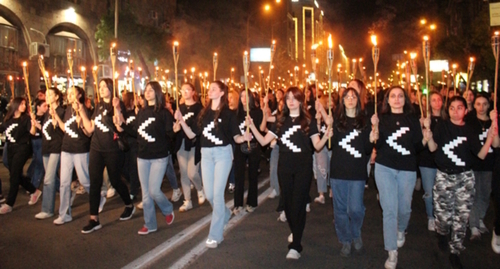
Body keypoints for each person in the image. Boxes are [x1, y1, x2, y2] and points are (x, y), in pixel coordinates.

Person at [246, 87, 331, 260]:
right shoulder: (280, 120)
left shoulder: (308, 121)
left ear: (301, 100)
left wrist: (325, 135)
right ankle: (296, 231)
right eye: (288, 98)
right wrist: (252, 126)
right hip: (284, 167)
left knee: (298, 204)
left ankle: (296, 245)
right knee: (288, 205)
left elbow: (317, 146)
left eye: (295, 98)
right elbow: (263, 140)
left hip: (303, 167)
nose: (291, 101)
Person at [174, 81, 251, 248]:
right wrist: (181, 121)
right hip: (206, 155)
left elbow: (236, 136)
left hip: (223, 154)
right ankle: (224, 213)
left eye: (214, 89)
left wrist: (243, 138)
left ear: (222, 93)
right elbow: (191, 134)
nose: (210, 91)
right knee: (209, 195)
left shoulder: (228, 114)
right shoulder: (204, 113)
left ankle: (215, 235)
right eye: (209, 89)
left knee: (217, 195)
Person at [426, 96, 498, 269]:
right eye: (452, 107)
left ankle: (455, 251)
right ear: (448, 110)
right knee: (442, 217)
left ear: (466, 110)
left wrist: (489, 138)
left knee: (461, 217)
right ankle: (442, 233)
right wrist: (428, 135)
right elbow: (432, 148)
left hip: (464, 178)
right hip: (444, 176)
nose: (455, 111)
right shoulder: (442, 126)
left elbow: (480, 155)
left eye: (460, 107)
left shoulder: (470, 130)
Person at [371, 86, 426, 269]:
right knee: (389, 210)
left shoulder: (412, 120)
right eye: (393, 96)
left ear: (405, 99)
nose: (396, 99)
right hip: (384, 167)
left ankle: (401, 229)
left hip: (407, 168)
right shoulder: (381, 119)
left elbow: (418, 147)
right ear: (387, 100)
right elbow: (377, 143)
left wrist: (426, 136)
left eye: (400, 96)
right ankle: (392, 251)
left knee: (404, 208)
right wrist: (374, 129)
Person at [78, 78, 135, 233]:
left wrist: (117, 108)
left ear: (111, 88)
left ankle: (129, 204)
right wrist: (82, 111)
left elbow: (120, 127)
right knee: (95, 182)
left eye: (105, 86)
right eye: (100, 86)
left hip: (112, 149)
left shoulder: (117, 104)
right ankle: (94, 219)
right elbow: (89, 129)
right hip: (96, 148)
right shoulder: (98, 106)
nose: (101, 89)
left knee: (115, 180)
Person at [119, 81, 175, 235]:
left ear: (157, 93)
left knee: (154, 190)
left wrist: (174, 129)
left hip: (159, 157)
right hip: (142, 157)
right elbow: (136, 131)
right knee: (145, 194)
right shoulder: (142, 112)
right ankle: (150, 224)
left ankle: (168, 209)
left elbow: (170, 134)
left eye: (151, 90)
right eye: (146, 90)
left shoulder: (164, 113)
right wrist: (122, 127)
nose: (147, 92)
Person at [330, 88, 377, 257]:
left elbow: (365, 149)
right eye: (347, 96)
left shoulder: (363, 122)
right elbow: (330, 145)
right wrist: (327, 127)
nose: (350, 99)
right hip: (338, 171)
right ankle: (345, 239)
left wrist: (371, 139)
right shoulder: (336, 121)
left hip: (357, 172)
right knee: (340, 209)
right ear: (342, 101)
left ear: (358, 100)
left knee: (356, 209)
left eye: (353, 96)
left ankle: (356, 232)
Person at [50, 86, 97, 224]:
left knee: (84, 179)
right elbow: (65, 128)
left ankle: (97, 196)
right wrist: (56, 117)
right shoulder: (67, 110)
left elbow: (88, 132)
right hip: (66, 148)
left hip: (80, 149)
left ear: (79, 95)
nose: (69, 95)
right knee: (64, 183)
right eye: (68, 93)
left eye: (72, 93)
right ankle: (64, 213)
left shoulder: (84, 109)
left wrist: (81, 122)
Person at [0, 97, 42, 214]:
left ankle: (9, 204)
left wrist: (33, 123)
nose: (24, 106)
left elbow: (32, 133)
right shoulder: (8, 119)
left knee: (14, 176)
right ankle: (34, 190)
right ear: (15, 105)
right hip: (11, 148)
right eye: (21, 103)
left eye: (25, 104)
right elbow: (2, 129)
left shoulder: (25, 119)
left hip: (22, 148)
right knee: (15, 174)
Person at [466, 93, 495, 240]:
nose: (481, 107)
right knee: (475, 194)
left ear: (489, 105)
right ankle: (473, 225)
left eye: (484, 104)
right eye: (478, 104)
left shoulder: (493, 122)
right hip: (474, 163)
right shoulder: (471, 122)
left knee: (485, 194)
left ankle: (480, 218)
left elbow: (496, 144)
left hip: (489, 163)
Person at [34, 88, 65, 220]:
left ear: (57, 97)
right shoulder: (47, 113)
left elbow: (63, 130)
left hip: (56, 148)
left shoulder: (61, 111)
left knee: (48, 179)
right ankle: (67, 193)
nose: (47, 97)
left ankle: (47, 209)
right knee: (50, 178)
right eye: (46, 95)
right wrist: (38, 126)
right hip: (46, 148)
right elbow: (47, 132)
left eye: (50, 94)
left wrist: (56, 120)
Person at [417, 90, 446, 231]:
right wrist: (421, 125)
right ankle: (431, 217)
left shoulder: (446, 120)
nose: (436, 103)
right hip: (427, 160)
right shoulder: (424, 119)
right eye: (433, 100)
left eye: (439, 100)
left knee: (441, 191)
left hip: (443, 160)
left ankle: (441, 215)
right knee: (429, 191)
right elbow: (418, 140)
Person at [174, 83, 205, 212]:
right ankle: (187, 200)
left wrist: (183, 122)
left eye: (188, 89)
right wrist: (175, 127)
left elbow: (197, 127)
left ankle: (200, 188)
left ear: (193, 92)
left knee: (192, 172)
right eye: (183, 90)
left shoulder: (199, 108)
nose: (185, 92)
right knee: (184, 173)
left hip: (193, 144)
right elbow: (175, 126)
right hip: (181, 143)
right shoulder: (179, 108)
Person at [232, 89, 263, 214]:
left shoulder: (256, 112)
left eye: (246, 96)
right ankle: (238, 204)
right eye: (241, 96)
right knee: (239, 175)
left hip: (254, 146)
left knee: (252, 175)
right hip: (240, 147)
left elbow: (261, 130)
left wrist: (251, 125)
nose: (244, 98)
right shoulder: (236, 114)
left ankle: (251, 202)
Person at [28, 99, 48, 189]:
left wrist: (38, 125)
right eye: (44, 106)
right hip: (34, 141)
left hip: (41, 140)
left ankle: (34, 185)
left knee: (40, 163)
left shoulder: (46, 117)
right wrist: (33, 123)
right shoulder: (33, 117)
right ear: (38, 107)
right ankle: (30, 179)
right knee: (36, 160)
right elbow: (31, 132)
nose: (46, 108)